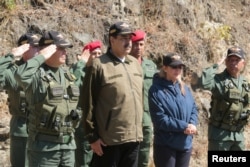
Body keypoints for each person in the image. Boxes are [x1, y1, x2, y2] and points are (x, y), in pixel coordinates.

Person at [14, 30, 82, 166]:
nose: (65, 52)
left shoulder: (67, 74)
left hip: (68, 146)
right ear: (48, 50)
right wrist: (41, 57)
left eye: (65, 48)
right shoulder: (37, 75)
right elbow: (20, 75)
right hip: (44, 150)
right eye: (60, 48)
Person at [82, 21, 143, 167]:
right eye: (123, 38)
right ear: (112, 39)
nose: (128, 42)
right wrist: (92, 137)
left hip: (134, 138)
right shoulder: (99, 65)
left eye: (129, 38)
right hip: (109, 140)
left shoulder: (135, 64)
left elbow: (141, 100)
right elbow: (88, 103)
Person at [191, 46, 250, 151]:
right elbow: (204, 83)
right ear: (226, 62)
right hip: (219, 136)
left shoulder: (245, 84)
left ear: (243, 63)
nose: (233, 63)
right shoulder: (218, 80)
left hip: (238, 136)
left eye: (237, 60)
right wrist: (217, 64)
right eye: (230, 60)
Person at [148, 53, 198, 167]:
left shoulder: (185, 88)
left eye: (180, 67)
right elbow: (160, 119)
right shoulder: (156, 90)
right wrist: (184, 126)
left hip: (185, 144)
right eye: (174, 67)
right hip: (166, 145)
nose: (178, 70)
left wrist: (193, 124)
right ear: (165, 68)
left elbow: (194, 108)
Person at [0, 33, 40, 167]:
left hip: (45, 133)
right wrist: (11, 56)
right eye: (34, 47)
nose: (39, 50)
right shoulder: (13, 70)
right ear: (24, 49)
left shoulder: (45, 68)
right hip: (23, 130)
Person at [72, 40, 103, 167]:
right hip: (83, 123)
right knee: (84, 159)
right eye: (94, 53)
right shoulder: (77, 71)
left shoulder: (102, 72)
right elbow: (71, 86)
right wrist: (81, 64)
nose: (97, 56)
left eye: (99, 53)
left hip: (101, 123)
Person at [130, 30, 157, 167]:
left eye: (141, 44)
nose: (138, 48)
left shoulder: (151, 66)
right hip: (129, 117)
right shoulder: (124, 64)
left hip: (146, 117)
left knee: (145, 152)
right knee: (129, 153)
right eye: (135, 44)